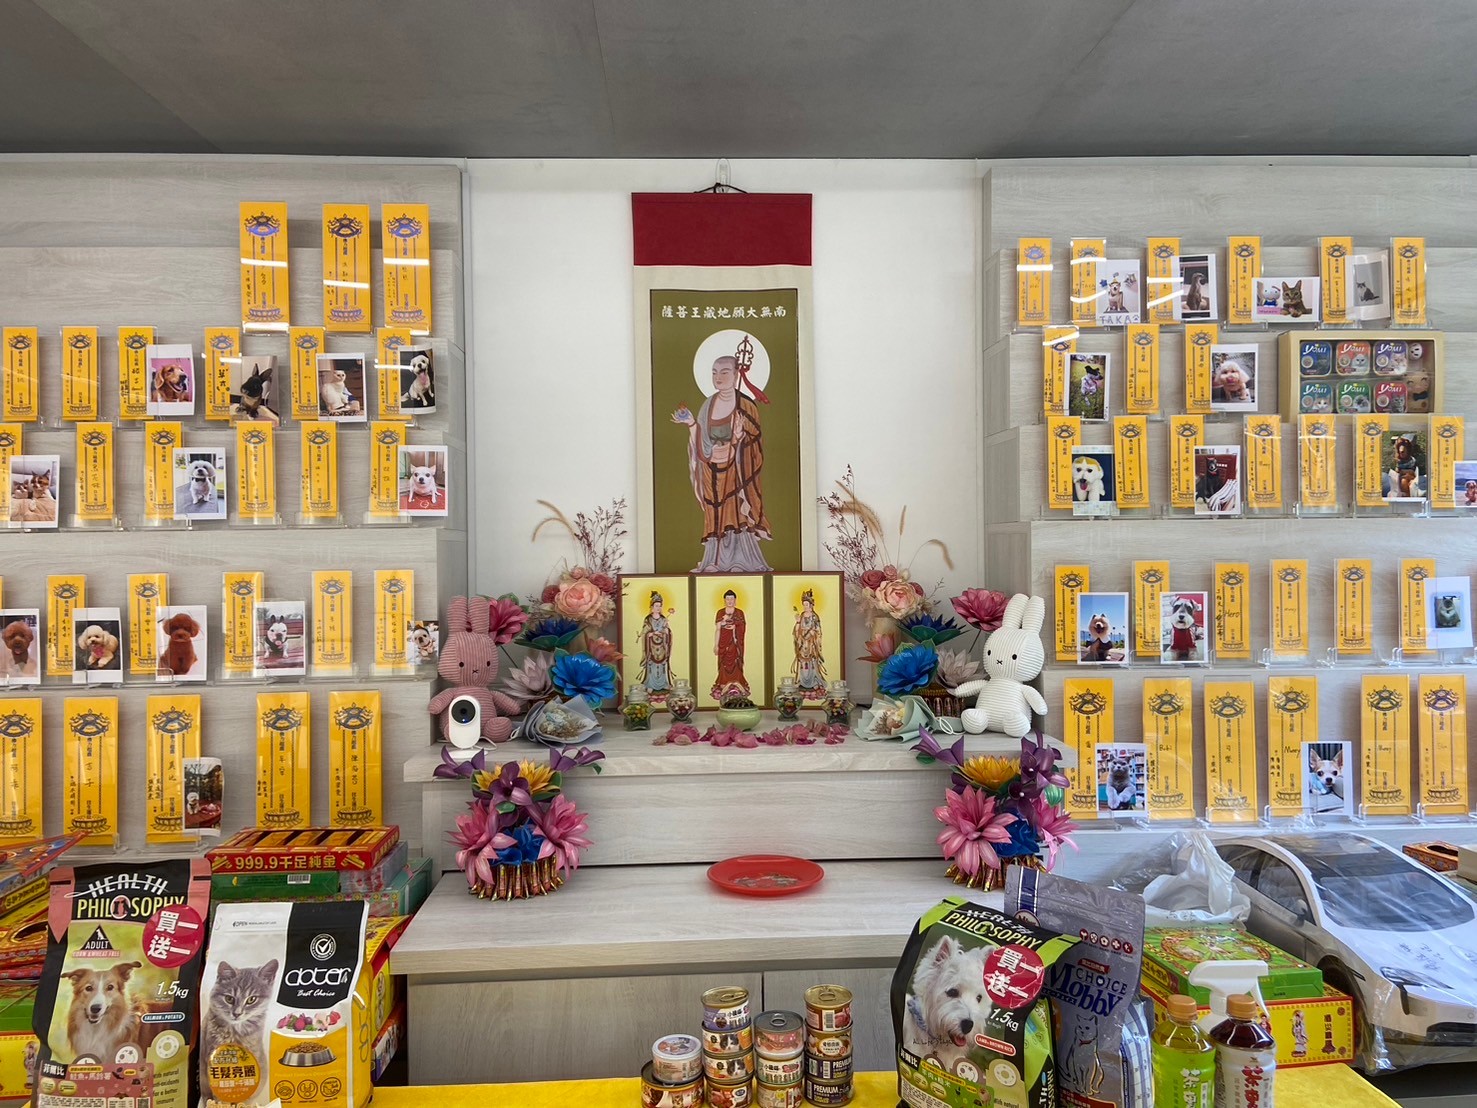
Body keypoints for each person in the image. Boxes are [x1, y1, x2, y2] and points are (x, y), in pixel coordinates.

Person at [672, 336, 772, 573]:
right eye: (714, 372)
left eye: (725, 372)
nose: (718, 377)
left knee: (735, 511)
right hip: (711, 468)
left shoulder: (746, 405)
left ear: (736, 375)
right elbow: (702, 438)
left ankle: (741, 560)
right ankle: (713, 561)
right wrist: (691, 424)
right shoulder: (708, 404)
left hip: (737, 470)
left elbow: (754, 441)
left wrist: (738, 439)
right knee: (714, 512)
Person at [713, 589, 747, 699]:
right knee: (724, 664)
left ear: (735, 600)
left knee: (736, 662)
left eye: (732, 599)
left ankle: (737, 683)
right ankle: (724, 684)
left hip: (735, 644)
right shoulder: (720, 613)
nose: (730, 601)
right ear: (724, 600)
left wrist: (735, 626)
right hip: (724, 643)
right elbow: (718, 629)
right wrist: (716, 645)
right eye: (727, 599)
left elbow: (742, 628)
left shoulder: (739, 613)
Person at [792, 589, 826, 695]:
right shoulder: (802, 615)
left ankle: (813, 681)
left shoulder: (814, 617)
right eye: (804, 605)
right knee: (802, 662)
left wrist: (812, 634)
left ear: (811, 605)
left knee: (811, 662)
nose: (805, 607)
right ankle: (802, 681)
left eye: (807, 604)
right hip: (802, 642)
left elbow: (818, 631)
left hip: (811, 643)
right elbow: (796, 631)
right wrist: (798, 622)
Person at [639, 591, 673, 696]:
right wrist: (650, 634)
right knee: (652, 665)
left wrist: (666, 631)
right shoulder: (648, 620)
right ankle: (650, 684)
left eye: (660, 606)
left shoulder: (663, 619)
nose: (658, 608)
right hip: (651, 647)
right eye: (656, 606)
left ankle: (664, 684)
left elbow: (668, 631)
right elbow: (644, 632)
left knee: (662, 665)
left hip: (662, 646)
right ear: (652, 607)